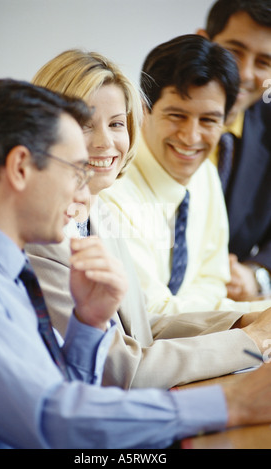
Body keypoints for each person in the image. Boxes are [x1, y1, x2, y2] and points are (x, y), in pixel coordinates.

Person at [0, 78, 271, 450]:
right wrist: (234, 403)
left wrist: (89, 324)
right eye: (76, 170)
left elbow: (65, 389)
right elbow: (49, 418)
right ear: (20, 167)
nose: (85, 192)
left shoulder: (6, 270)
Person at [27, 48, 269, 391]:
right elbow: (121, 369)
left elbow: (139, 325)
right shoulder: (38, 237)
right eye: (84, 125)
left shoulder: (97, 212)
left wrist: (243, 320)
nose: (105, 142)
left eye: (115, 124)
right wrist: (250, 341)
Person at [101, 34, 271, 318]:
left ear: (226, 119)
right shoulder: (110, 188)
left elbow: (213, 281)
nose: (191, 138)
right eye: (177, 115)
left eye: (208, 120)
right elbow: (150, 313)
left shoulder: (204, 171)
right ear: (144, 109)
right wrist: (256, 315)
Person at [197, 0, 271, 301]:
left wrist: (256, 275)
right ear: (203, 41)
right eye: (233, 52)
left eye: (264, 62)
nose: (243, 73)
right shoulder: (138, 117)